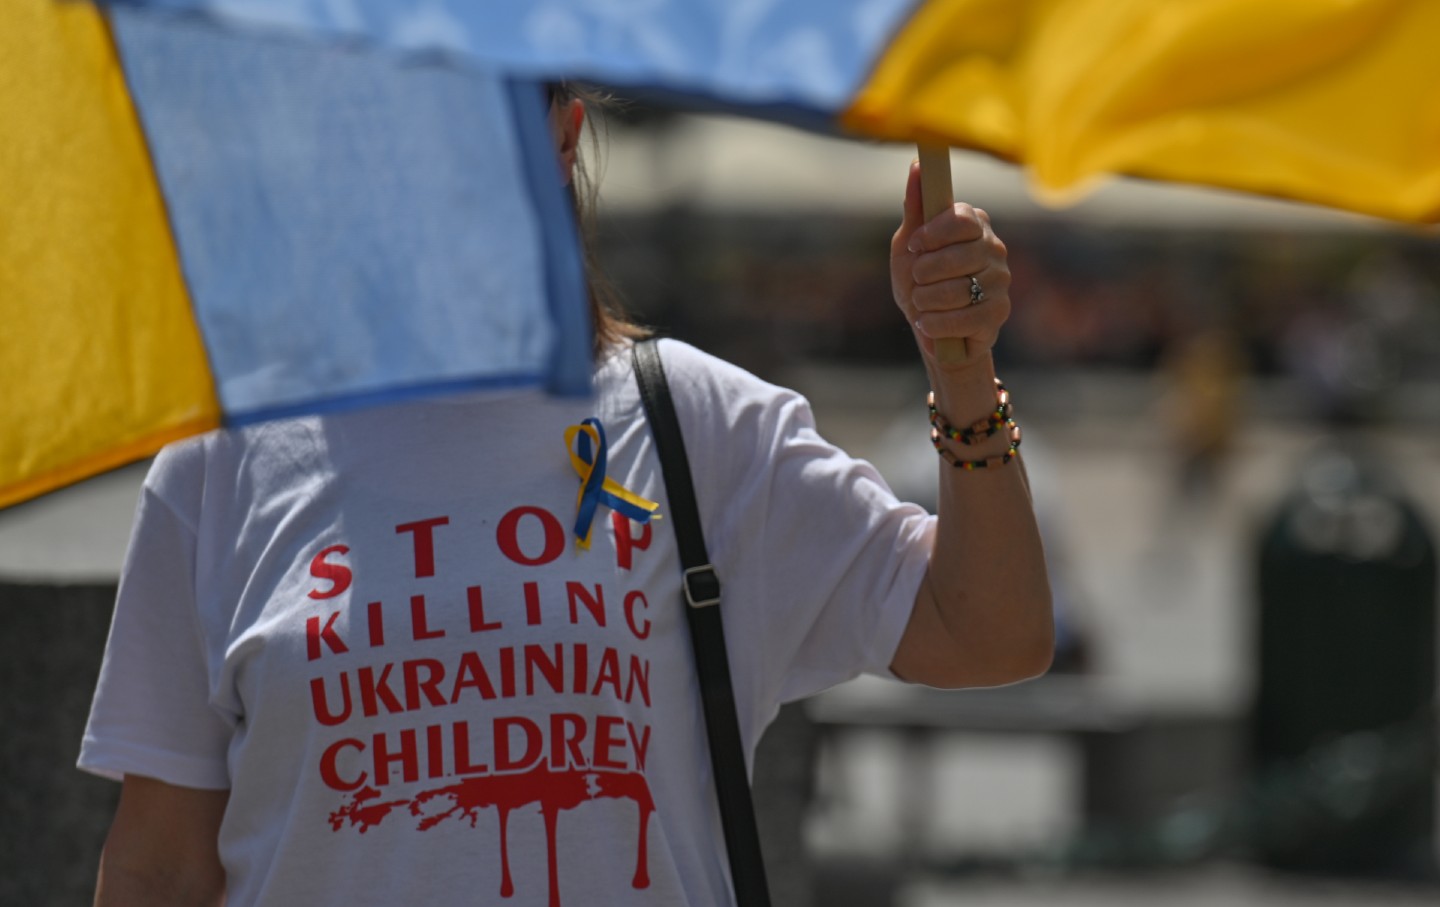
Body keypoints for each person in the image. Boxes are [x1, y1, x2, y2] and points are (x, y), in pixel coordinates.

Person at [81, 85, 1053, 907]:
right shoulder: (220, 468)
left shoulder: (698, 425)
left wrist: (962, 376)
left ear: (563, 135)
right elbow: (158, 866)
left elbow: (987, 630)